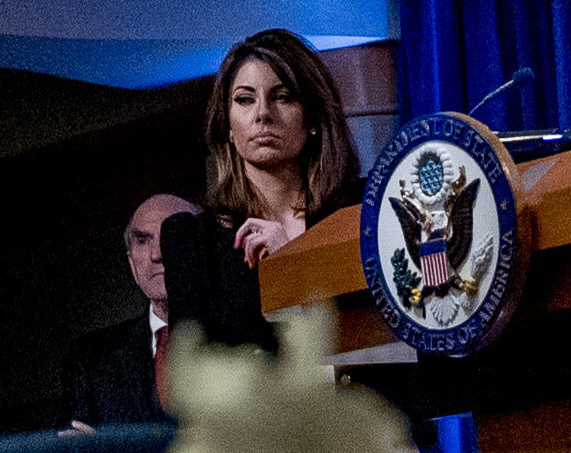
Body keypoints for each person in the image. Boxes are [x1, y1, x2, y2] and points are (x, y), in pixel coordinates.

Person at [198, 27, 363, 264]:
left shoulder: (362, 212)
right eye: (245, 100)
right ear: (228, 127)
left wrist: (291, 264)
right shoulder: (196, 239)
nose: (263, 113)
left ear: (313, 118)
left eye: (282, 97)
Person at [59, 191, 201, 424]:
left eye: (172, 235)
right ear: (132, 264)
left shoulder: (244, 338)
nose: (157, 254)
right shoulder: (91, 358)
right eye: (143, 241)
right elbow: (76, 450)